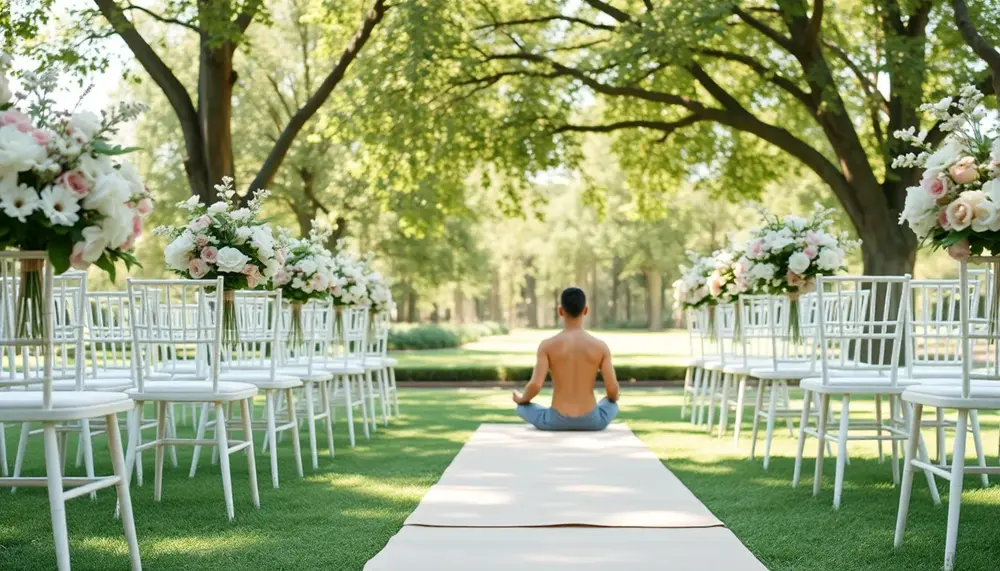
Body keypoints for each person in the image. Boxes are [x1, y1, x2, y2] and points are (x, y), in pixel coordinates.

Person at [512, 287, 620, 431]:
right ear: (585, 311)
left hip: (555, 420)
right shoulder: (600, 347)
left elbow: (535, 385)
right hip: (592, 421)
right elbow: (612, 389)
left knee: (522, 408)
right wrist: (612, 398)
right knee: (612, 404)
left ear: (561, 311)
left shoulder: (547, 345)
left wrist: (522, 400)